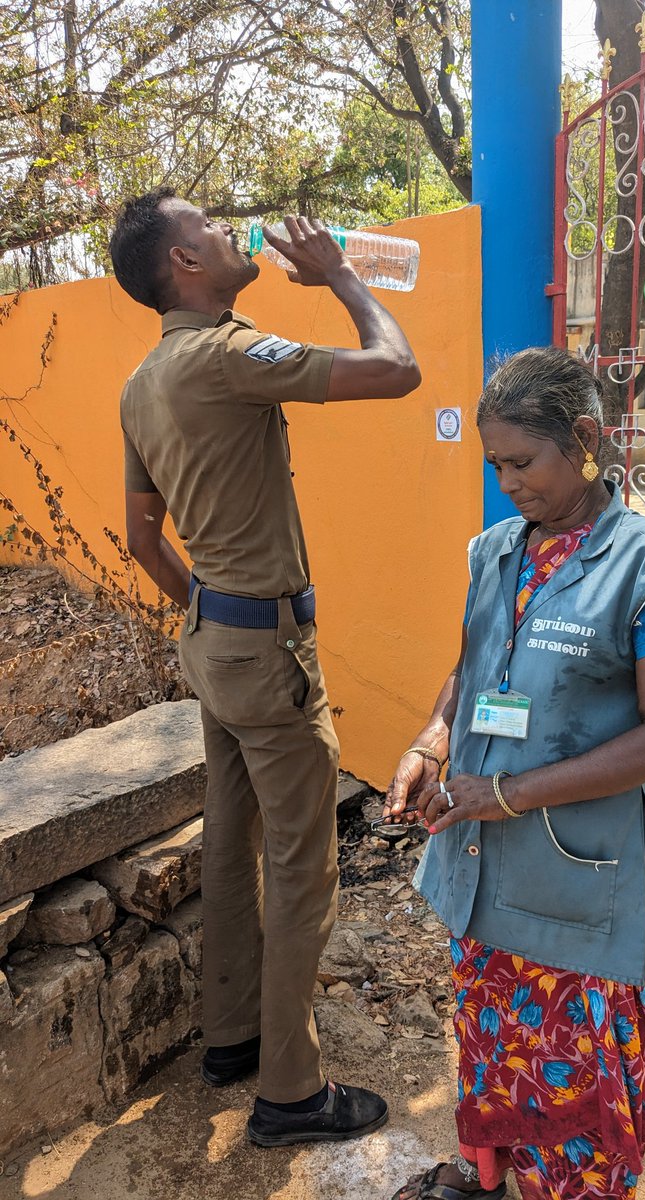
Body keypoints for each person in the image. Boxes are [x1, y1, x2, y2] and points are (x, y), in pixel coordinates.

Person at [108, 190, 420, 1145]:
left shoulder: (143, 379)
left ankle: (233, 1037)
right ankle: (291, 1092)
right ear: (185, 264)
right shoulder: (225, 355)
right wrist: (340, 276)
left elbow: (139, 538)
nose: (230, 224)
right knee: (301, 868)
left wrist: (209, 608)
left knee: (233, 846)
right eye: (207, 221)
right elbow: (397, 369)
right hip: (267, 655)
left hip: (214, 646)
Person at [383, 347, 645, 1200]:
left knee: (576, 1077)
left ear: (587, 438)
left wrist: (508, 794)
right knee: (493, 1046)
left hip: (580, 883)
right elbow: (471, 670)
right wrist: (428, 744)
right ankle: (487, 1174)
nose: (508, 483)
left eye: (523, 462)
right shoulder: (495, 551)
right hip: (483, 869)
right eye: (496, 465)